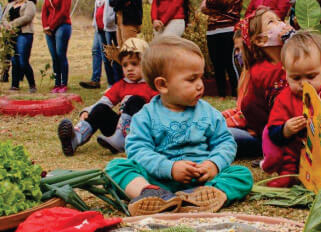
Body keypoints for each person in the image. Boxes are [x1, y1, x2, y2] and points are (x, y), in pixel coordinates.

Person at [105, 36, 253, 216]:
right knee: (116, 167)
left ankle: (205, 196)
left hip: (202, 181)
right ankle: (150, 194)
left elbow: (225, 142)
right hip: (159, 179)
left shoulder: (208, 113)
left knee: (241, 174)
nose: (200, 85)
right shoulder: (146, 116)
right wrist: (170, 168)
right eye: (191, 79)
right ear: (163, 85)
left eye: (201, 77)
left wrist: (213, 164)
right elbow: (138, 150)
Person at [262, 31, 321, 188]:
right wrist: (285, 130)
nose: (304, 84)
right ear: (286, 73)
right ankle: (288, 173)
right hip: (295, 151)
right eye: (296, 78)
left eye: (311, 76)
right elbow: (273, 131)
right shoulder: (284, 98)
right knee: (279, 145)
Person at [58, 37, 157, 156]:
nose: (129, 68)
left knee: (135, 100)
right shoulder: (122, 85)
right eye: (125, 65)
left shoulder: (152, 85)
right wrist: (88, 111)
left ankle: (124, 140)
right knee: (101, 109)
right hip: (118, 129)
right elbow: (104, 101)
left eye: (134, 64)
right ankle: (75, 138)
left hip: (141, 130)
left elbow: (159, 109)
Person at [232, 7, 294, 157]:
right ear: (260, 40)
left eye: (279, 19)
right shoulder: (263, 70)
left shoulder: (288, 62)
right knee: (226, 136)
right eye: (271, 21)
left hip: (287, 129)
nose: (281, 24)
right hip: (266, 136)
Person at [200, 0, 244, 97]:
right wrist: (220, 7)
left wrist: (214, 3)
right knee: (217, 64)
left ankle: (237, 93)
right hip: (212, 31)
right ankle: (221, 94)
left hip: (228, 30)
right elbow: (203, 7)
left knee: (230, 63)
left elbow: (226, 0)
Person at [81, 0, 123, 89]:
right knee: (103, 55)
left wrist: (109, 21)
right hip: (99, 27)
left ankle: (117, 83)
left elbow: (111, 8)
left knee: (113, 55)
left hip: (110, 27)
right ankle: (109, 83)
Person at [41, 0, 72, 93]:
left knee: (60, 54)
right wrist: (45, 26)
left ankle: (64, 83)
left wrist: (52, 26)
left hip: (62, 26)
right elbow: (44, 11)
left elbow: (64, 12)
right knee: (54, 56)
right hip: (49, 28)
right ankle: (56, 82)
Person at [2, 0, 37, 92]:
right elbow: (4, 17)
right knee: (14, 60)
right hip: (11, 34)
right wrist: (6, 25)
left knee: (23, 60)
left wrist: (12, 24)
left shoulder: (29, 4)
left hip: (24, 34)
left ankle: (32, 84)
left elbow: (27, 17)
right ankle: (14, 85)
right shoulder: (10, 5)